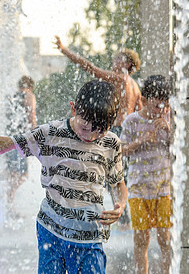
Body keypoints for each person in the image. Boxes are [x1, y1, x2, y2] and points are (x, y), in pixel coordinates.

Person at [0, 80, 128, 274]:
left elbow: (118, 183)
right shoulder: (51, 134)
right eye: (85, 127)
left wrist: (120, 205)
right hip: (52, 233)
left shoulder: (111, 143)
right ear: (73, 109)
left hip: (89, 237)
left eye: (100, 130)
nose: (91, 136)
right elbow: (4, 144)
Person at [54, 36, 142, 227]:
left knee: (108, 176)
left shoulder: (120, 78)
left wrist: (65, 50)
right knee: (122, 176)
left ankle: (120, 218)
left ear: (126, 63)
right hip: (127, 132)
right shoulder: (135, 85)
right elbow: (139, 111)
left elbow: (91, 68)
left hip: (115, 130)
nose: (113, 62)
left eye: (117, 59)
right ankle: (125, 217)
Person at [119, 75, 172, 274]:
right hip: (138, 190)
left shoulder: (168, 120)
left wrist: (169, 131)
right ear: (143, 100)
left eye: (165, 106)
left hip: (163, 189)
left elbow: (179, 151)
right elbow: (121, 149)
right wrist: (141, 141)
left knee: (165, 238)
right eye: (157, 105)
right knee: (141, 239)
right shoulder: (132, 121)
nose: (161, 110)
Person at [5, 76, 37, 211]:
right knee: (22, 175)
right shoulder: (29, 95)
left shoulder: (12, 96)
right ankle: (7, 201)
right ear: (30, 86)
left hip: (9, 138)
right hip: (19, 140)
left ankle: (7, 204)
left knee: (12, 173)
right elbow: (31, 116)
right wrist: (36, 135)